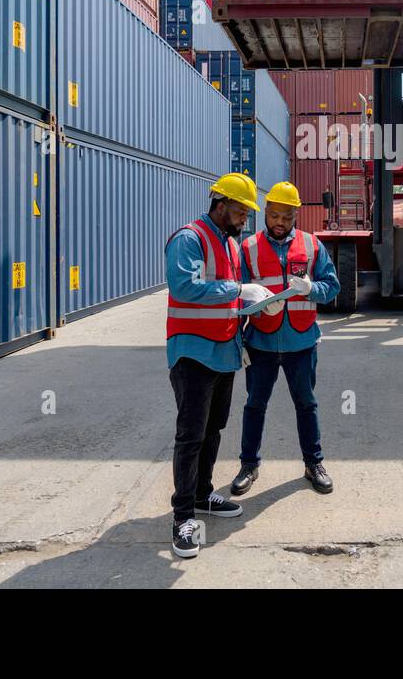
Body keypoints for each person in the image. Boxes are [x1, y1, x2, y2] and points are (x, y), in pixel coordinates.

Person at [164, 172, 280, 559]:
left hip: (224, 352)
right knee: (190, 435)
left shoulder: (229, 245)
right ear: (221, 204)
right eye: (242, 210)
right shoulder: (189, 239)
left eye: (248, 211)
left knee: (213, 429)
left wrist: (257, 302)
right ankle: (182, 519)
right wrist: (238, 289)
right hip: (193, 355)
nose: (246, 217)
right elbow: (185, 288)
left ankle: (201, 495)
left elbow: (226, 300)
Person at [230, 181, 340, 498]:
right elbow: (234, 296)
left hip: (301, 343)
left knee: (306, 405)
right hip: (261, 343)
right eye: (275, 215)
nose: (280, 223)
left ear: (296, 215)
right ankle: (248, 465)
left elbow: (332, 286)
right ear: (266, 211)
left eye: (287, 217)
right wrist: (248, 300)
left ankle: (313, 464)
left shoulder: (311, 245)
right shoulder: (248, 248)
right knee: (254, 405)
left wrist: (311, 289)